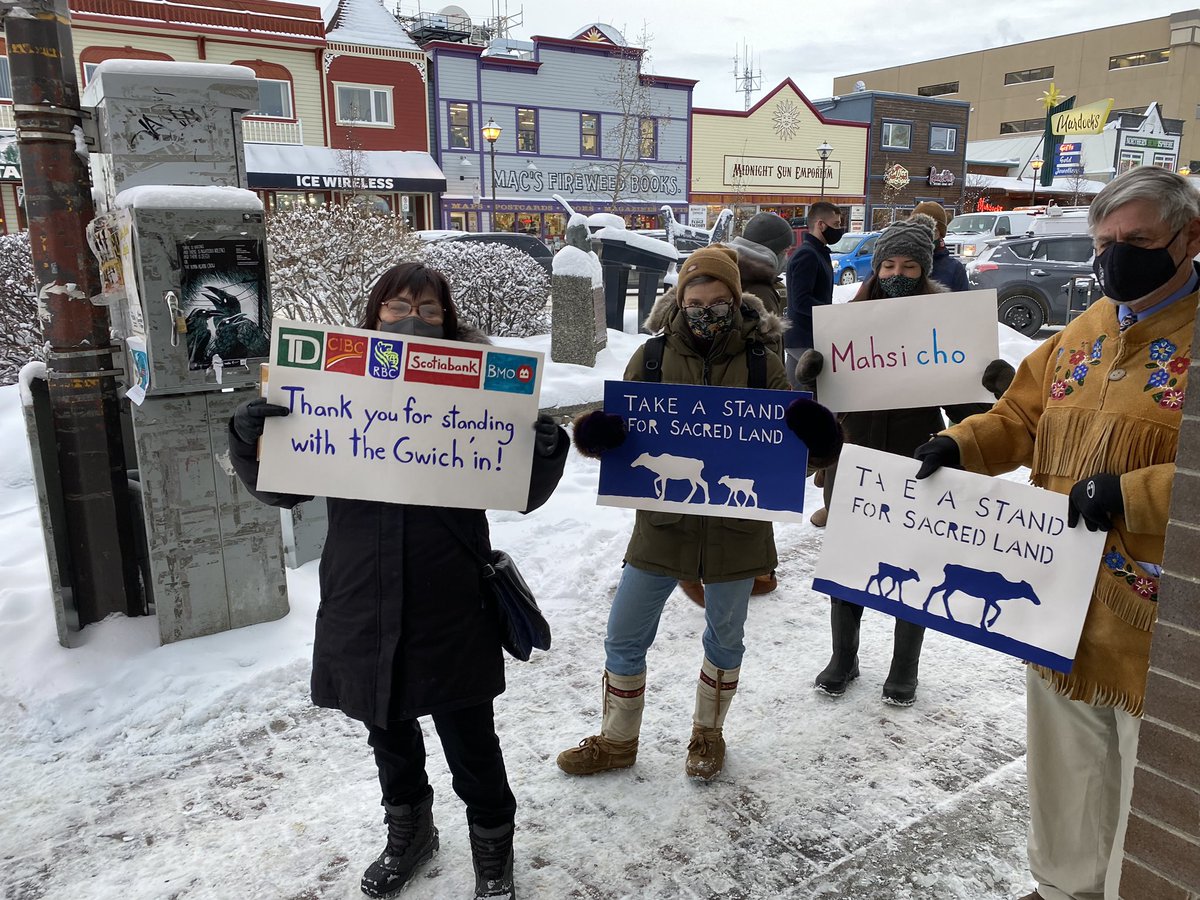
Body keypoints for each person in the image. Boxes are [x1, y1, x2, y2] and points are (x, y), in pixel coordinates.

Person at [227, 262, 569, 900]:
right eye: (398, 305)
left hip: (452, 598)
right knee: (386, 726)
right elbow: (283, 487)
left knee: (471, 739)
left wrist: (544, 449)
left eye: (431, 308)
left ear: (450, 318)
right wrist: (252, 441)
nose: (414, 317)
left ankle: (493, 847)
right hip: (364, 593)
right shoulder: (333, 384)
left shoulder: (484, 392)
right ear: (374, 312)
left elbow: (520, 491)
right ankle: (409, 831)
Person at [912, 167, 1200, 900]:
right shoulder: (1084, 330)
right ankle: (1063, 886)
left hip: (1160, 623)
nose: (1113, 258)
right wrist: (962, 446)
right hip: (1060, 599)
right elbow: (1019, 417)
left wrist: (1134, 492)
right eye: (1104, 242)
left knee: (1154, 784)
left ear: (1189, 237)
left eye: (1135, 240)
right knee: (1065, 767)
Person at [558, 245, 843, 780]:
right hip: (662, 526)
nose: (705, 309)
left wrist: (818, 438)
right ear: (678, 301)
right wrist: (597, 433)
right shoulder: (650, 357)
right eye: (695, 300)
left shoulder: (762, 362)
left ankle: (707, 735)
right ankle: (617, 740)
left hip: (738, 529)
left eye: (717, 300)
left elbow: (789, 448)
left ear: (737, 302)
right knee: (623, 634)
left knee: (725, 637)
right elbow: (618, 427)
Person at [796, 214, 1013, 705]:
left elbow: (969, 414)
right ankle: (843, 656)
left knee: (914, 563)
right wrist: (810, 376)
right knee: (850, 560)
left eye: (909, 266)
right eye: (888, 264)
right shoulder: (848, 325)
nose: (897, 273)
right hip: (851, 462)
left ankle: (903, 667)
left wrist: (996, 386)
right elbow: (822, 408)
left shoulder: (944, 326)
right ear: (875, 269)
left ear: (924, 270)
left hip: (919, 462)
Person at [786, 201, 844, 528]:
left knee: (812, 403)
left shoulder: (817, 252)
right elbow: (799, 301)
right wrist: (830, 315)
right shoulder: (807, 255)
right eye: (836, 222)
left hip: (813, 336)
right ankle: (803, 463)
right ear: (821, 225)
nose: (840, 227)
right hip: (803, 340)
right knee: (805, 404)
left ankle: (815, 463)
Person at [912, 200, 969, 292]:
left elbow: (965, 303)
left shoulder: (954, 269)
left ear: (940, 234)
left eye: (931, 231)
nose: (923, 235)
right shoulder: (898, 263)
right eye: (917, 229)